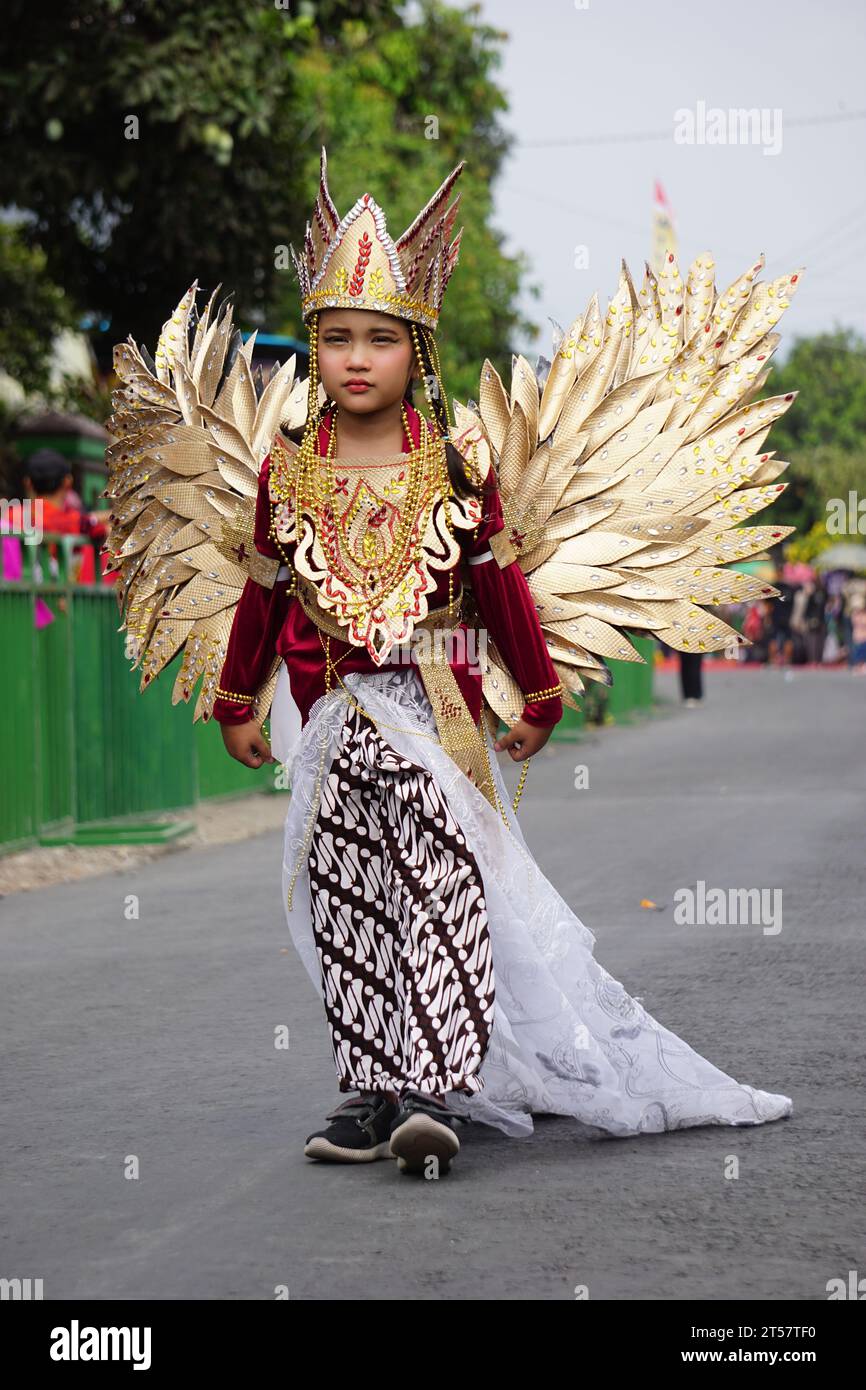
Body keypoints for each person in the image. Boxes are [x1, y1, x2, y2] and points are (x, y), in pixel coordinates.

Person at [209, 154, 792, 1174]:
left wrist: (538, 690)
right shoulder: (284, 473)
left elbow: (499, 593)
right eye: (337, 337)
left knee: (443, 888)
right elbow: (263, 593)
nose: (355, 359)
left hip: (435, 716)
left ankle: (430, 1090)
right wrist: (234, 696)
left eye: (379, 339)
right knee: (345, 898)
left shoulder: (456, 465)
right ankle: (369, 1092)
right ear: (315, 344)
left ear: (413, 349)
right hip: (332, 720)